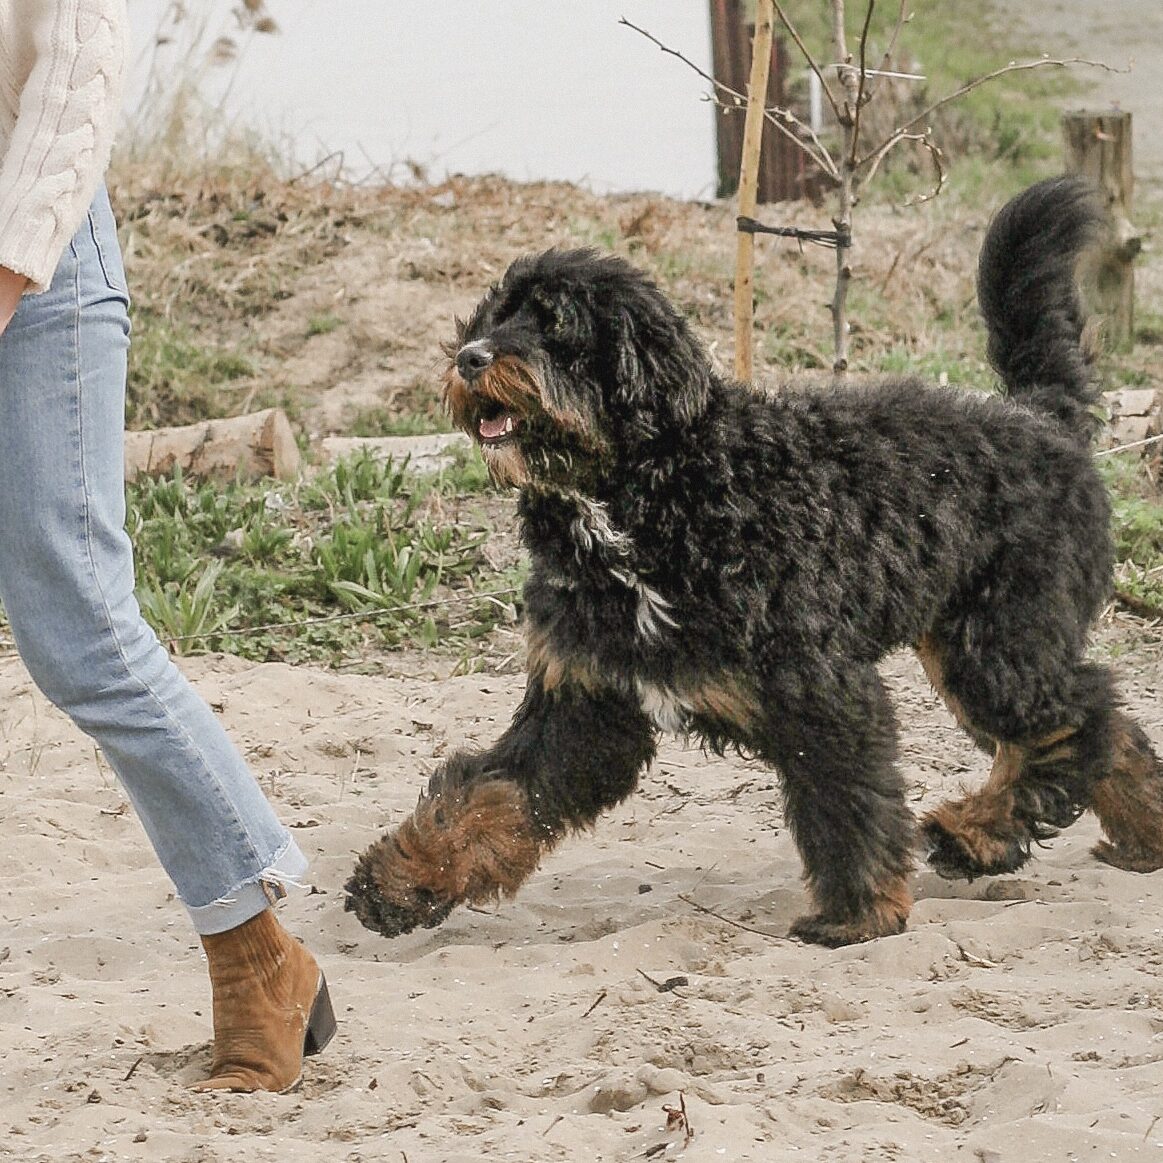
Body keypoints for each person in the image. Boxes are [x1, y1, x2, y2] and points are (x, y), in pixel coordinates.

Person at [0, 0, 335, 1091]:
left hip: (33, 259)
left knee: (80, 629)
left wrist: (4, 276)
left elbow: (79, 69)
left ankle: (256, 955)